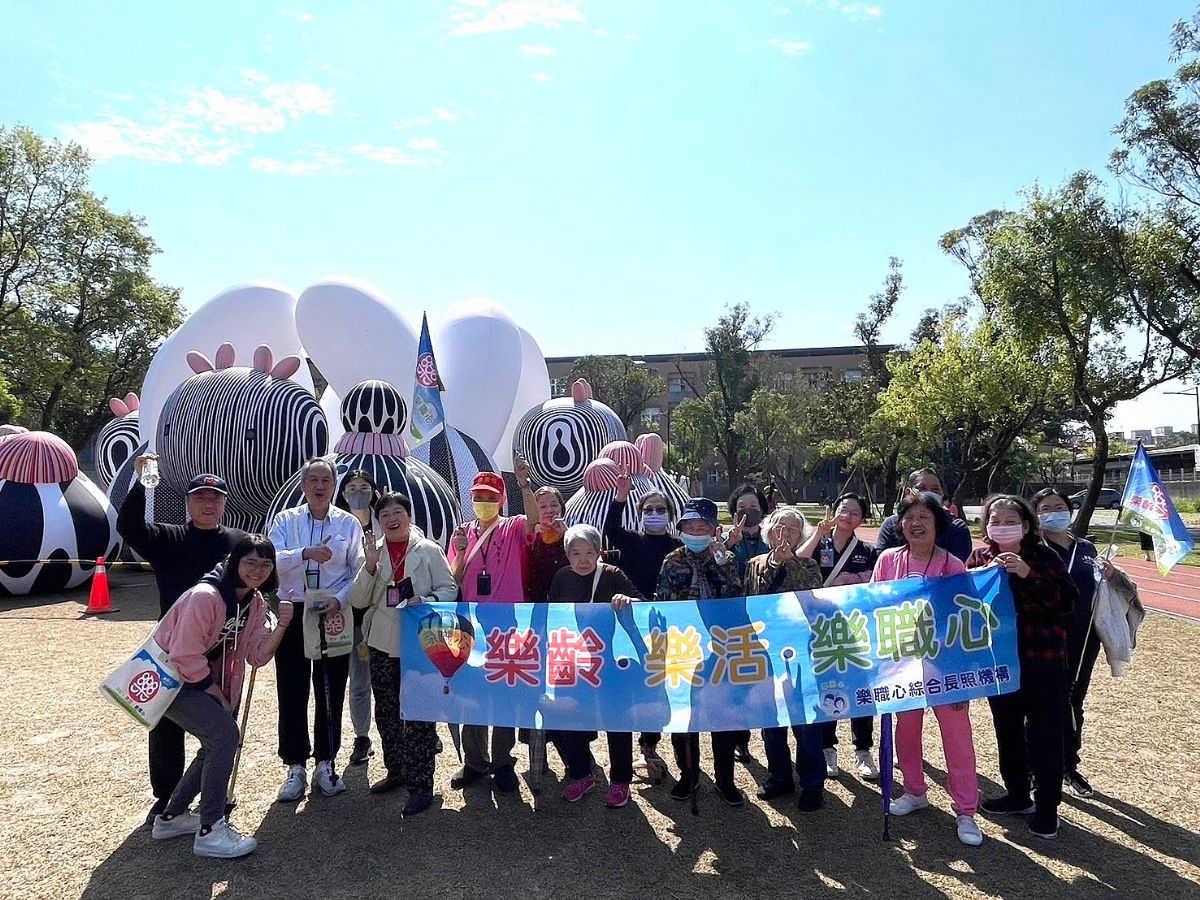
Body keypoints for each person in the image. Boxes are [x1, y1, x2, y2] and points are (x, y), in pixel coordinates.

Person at [117, 456, 248, 822]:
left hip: (222, 651)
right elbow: (128, 526)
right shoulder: (167, 538)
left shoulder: (237, 543)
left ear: (224, 503)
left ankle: (213, 793)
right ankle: (167, 798)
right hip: (171, 652)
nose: (208, 504)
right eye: (200, 497)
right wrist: (141, 482)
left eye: (215, 498)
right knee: (166, 726)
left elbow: (257, 581)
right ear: (188, 502)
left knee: (220, 725)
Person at [150, 535, 290, 858]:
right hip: (174, 681)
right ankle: (210, 829)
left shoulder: (254, 602)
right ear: (233, 562)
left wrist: (282, 626)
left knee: (215, 743)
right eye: (250, 562)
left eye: (265, 564)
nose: (257, 570)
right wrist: (216, 694)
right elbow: (184, 654)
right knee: (225, 736)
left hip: (200, 680)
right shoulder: (205, 596)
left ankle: (172, 817)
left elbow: (256, 655)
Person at [874, 492, 983, 847]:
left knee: (957, 737)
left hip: (945, 666)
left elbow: (968, 618)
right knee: (906, 730)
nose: (916, 523)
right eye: (909, 517)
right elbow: (874, 605)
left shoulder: (953, 565)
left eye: (924, 517)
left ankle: (966, 810)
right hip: (902, 664)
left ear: (938, 525)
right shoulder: (889, 560)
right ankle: (914, 790)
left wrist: (963, 672)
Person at [969, 494, 1078, 840]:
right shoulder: (979, 558)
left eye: (1010, 521)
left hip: (1043, 662)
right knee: (1008, 731)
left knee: (1046, 735)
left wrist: (1027, 574)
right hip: (1000, 664)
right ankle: (1017, 794)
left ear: (1027, 526)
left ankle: (1047, 808)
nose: (1001, 527)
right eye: (995, 521)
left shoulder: (1044, 557)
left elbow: (1068, 601)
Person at [349, 491, 457, 816]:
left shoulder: (428, 550)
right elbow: (357, 600)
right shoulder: (374, 553)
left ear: (409, 516)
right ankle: (396, 770)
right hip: (382, 643)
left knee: (419, 714)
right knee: (387, 712)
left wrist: (424, 601)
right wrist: (369, 567)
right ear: (379, 522)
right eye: (384, 515)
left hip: (420, 643)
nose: (391, 519)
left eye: (397, 512)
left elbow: (450, 589)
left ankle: (421, 786)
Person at [268, 458, 365, 802]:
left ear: (334, 485)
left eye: (326, 480)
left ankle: (326, 761)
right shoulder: (285, 520)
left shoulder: (348, 524)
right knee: (291, 688)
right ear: (303, 485)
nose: (320, 486)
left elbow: (358, 570)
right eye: (313, 480)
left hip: (332, 610)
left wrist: (340, 600)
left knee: (331, 688)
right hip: (293, 610)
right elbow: (271, 560)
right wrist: (304, 553)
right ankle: (295, 764)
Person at [1032, 488, 1134, 799]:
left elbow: (1111, 587)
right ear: (1035, 515)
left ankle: (1069, 765)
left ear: (1070, 511)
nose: (1053, 512)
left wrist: (1112, 575)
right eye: (1045, 508)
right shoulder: (1032, 548)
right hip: (1041, 639)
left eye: (1059, 506)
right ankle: (1035, 768)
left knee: (1072, 702)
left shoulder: (1086, 548)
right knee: (1038, 706)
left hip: (1082, 639)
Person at [545, 524, 644, 808]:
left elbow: (643, 605)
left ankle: (620, 781)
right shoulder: (562, 577)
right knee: (571, 716)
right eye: (576, 553)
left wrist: (628, 600)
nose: (583, 559)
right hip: (574, 661)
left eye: (590, 552)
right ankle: (581, 775)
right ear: (567, 555)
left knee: (617, 720)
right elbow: (553, 616)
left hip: (611, 662)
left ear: (599, 552)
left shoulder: (612, 575)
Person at [655, 498, 745, 806]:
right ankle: (689, 774)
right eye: (690, 527)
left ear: (714, 529)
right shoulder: (672, 561)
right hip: (684, 647)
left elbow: (734, 596)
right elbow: (663, 602)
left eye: (702, 527)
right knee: (685, 715)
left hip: (720, 647)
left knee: (722, 715)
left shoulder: (726, 559)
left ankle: (725, 779)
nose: (695, 532)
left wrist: (720, 560)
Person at [448, 469, 529, 793]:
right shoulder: (461, 533)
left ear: (502, 500)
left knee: (505, 691)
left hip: (507, 623)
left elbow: (534, 521)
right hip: (470, 623)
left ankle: (503, 761)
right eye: (478, 497)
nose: (484, 502)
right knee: (472, 693)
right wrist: (461, 551)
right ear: (471, 499)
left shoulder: (512, 526)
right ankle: (474, 761)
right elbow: (453, 580)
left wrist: (524, 485)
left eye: (490, 497)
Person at [743, 506, 827, 812]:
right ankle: (779, 775)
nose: (785, 533)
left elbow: (811, 592)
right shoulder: (754, 564)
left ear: (801, 535)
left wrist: (790, 562)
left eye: (792, 528)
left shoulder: (809, 565)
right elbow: (752, 598)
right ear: (768, 531)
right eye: (780, 526)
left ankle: (812, 783)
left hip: (802, 651)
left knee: (806, 720)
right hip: (765, 650)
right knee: (772, 719)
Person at [606, 467, 681, 781]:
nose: (654, 514)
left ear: (670, 515)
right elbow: (611, 528)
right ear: (640, 515)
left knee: (660, 686)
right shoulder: (632, 541)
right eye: (648, 510)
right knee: (634, 681)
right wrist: (621, 497)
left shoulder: (678, 546)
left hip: (666, 626)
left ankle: (649, 744)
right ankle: (634, 747)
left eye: (660, 510)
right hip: (632, 623)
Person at [798, 491, 879, 780]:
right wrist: (818, 533)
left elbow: (876, 582)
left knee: (860, 686)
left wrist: (852, 579)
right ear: (833, 511)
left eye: (854, 512)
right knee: (827, 684)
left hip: (854, 627)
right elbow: (797, 562)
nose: (847, 515)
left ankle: (863, 749)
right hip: (821, 626)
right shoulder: (819, 542)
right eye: (843, 509)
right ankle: (827, 748)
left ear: (862, 519)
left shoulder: (868, 551)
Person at [722, 483, 771, 761]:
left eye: (753, 507)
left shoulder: (772, 538)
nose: (748, 512)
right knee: (738, 681)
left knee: (767, 682)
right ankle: (740, 739)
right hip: (735, 621)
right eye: (742, 507)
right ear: (733, 512)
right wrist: (729, 543)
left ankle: (771, 738)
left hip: (767, 621)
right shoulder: (725, 540)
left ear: (762, 510)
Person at [339, 470, 378, 767]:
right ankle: (362, 736)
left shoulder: (386, 521)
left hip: (385, 613)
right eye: (352, 487)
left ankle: (407, 729)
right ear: (343, 493)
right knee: (360, 680)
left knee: (395, 678)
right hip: (352, 615)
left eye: (364, 487)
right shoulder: (338, 526)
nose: (358, 492)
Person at [875, 468, 973, 562]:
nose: (929, 493)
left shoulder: (956, 528)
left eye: (935, 490)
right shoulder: (891, 525)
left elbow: (960, 568)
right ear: (908, 493)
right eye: (922, 488)